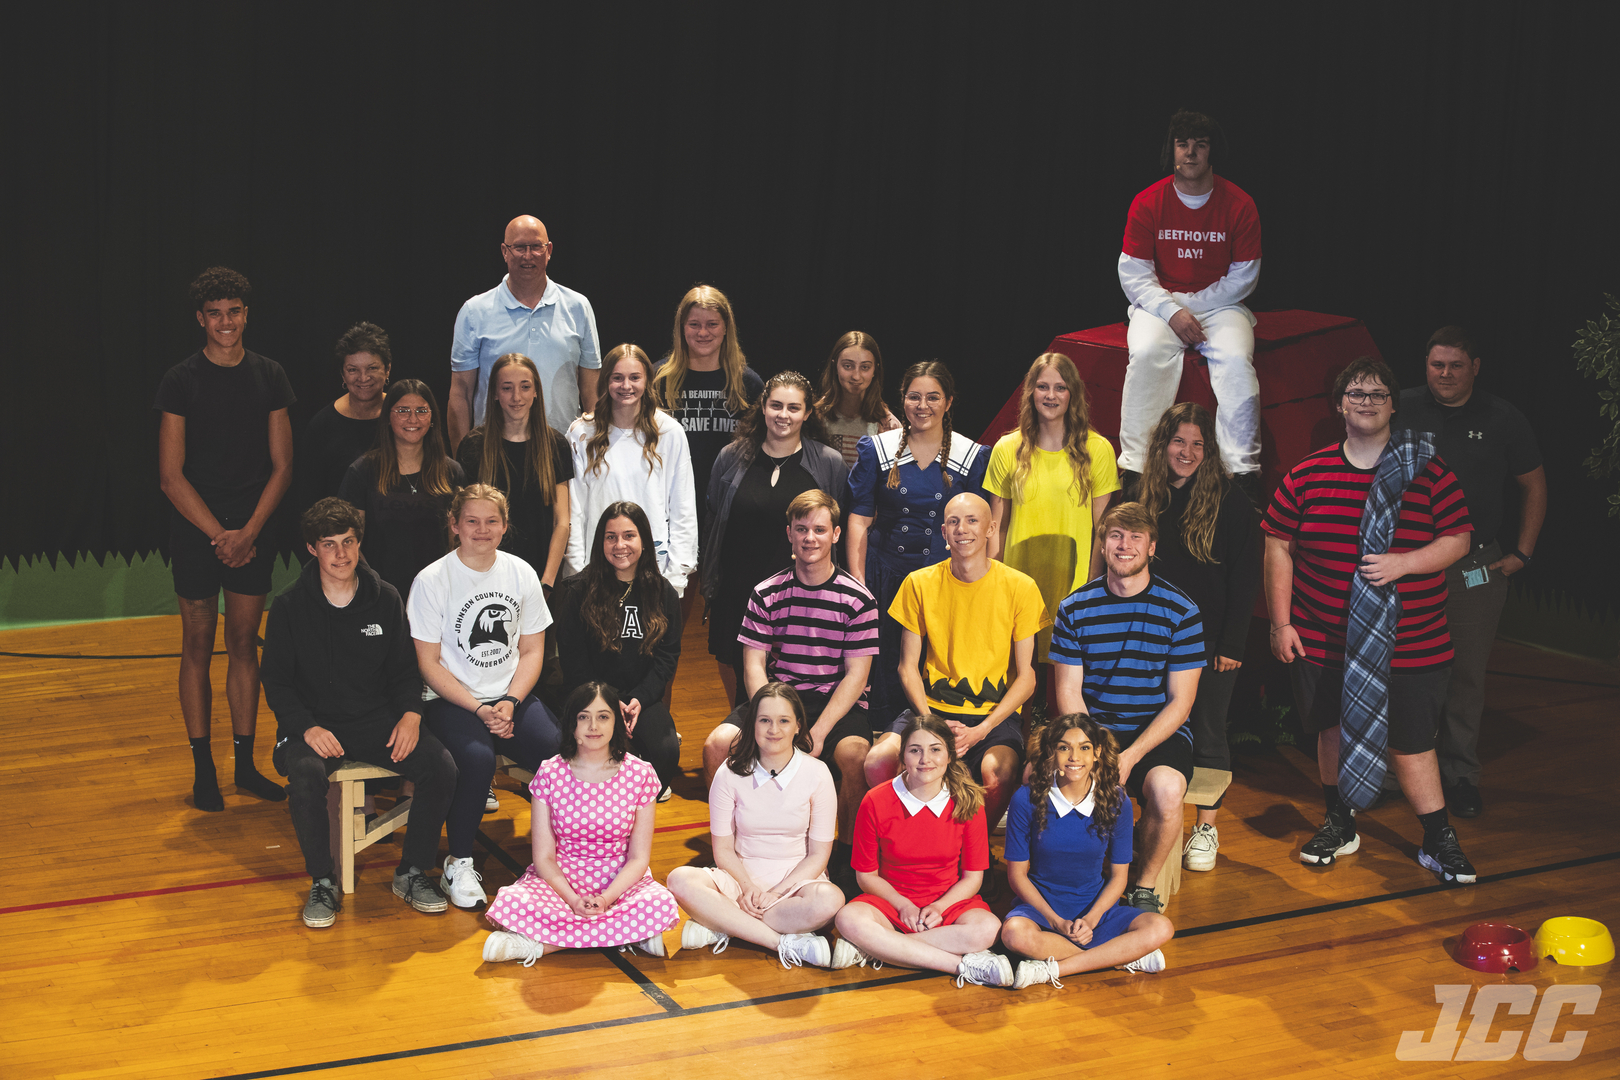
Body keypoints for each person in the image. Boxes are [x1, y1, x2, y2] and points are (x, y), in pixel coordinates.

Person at [1263, 357, 1478, 882]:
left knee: (1411, 744)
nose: (1365, 400)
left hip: (1410, 641)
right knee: (1330, 730)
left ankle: (1437, 837)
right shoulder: (1307, 473)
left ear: (1392, 407)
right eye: (1355, 393)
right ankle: (1340, 820)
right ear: (1339, 405)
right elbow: (1278, 546)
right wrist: (1280, 622)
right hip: (1323, 636)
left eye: (1377, 394)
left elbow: (1459, 540)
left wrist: (1404, 563)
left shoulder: (1427, 469)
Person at [262, 498, 459, 927]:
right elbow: (276, 682)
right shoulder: (290, 605)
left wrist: (411, 714)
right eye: (329, 545)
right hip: (313, 725)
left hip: (374, 721)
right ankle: (322, 881)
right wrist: (306, 727)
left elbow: (405, 672)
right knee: (307, 775)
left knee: (440, 766)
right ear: (312, 549)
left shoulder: (384, 597)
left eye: (348, 542)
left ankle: (411, 871)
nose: (341, 554)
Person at [1392, 326, 1545, 818]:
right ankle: (1395, 771)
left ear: (1475, 368)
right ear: (1426, 365)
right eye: (1437, 364)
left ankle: (1459, 776)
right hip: (1405, 565)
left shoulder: (1503, 418)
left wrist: (1521, 553)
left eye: (1456, 366)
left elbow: (1535, 485)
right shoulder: (1400, 406)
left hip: (1474, 568)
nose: (1446, 374)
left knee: (1465, 678)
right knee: (1398, 672)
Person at [155, 266, 292, 811]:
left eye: (233, 311)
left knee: (242, 646)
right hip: (198, 530)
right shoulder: (179, 380)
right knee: (196, 645)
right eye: (215, 313)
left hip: (253, 529)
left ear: (245, 314)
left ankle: (244, 766)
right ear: (200, 319)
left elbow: (283, 466)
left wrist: (249, 531)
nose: (225, 322)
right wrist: (221, 536)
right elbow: (170, 475)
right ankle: (203, 770)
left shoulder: (271, 375)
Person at [408, 484, 563, 909]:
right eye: (471, 521)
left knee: (555, 748)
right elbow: (428, 663)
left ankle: (563, 854)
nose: (482, 529)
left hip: (510, 696)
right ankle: (458, 862)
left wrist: (510, 701)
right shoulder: (432, 580)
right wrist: (478, 708)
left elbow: (532, 650)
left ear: (505, 526)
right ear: (454, 525)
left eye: (491, 521)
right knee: (475, 759)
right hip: (451, 700)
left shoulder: (521, 573)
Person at [863, 492, 1047, 840]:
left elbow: (1027, 679)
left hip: (992, 714)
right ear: (944, 533)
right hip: (931, 708)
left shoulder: (1021, 587)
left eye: (972, 520)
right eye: (953, 522)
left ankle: (971, 851)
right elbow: (906, 668)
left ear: (991, 528)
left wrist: (981, 730)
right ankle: (907, 842)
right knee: (877, 761)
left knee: (1000, 772)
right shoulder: (919, 583)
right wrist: (932, 724)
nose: (963, 529)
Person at [700, 490, 879, 846]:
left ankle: (846, 854)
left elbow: (857, 676)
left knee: (856, 756)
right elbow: (753, 664)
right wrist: (773, 717)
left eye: (819, 529)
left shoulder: (858, 600)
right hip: (779, 699)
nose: (810, 538)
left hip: (833, 704)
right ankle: (731, 843)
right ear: (789, 534)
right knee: (717, 746)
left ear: (836, 534)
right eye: (801, 529)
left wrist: (818, 732)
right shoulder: (766, 593)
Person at [1049, 502, 1204, 913]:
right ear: (1102, 544)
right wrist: (1092, 749)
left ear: (1152, 547)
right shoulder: (1075, 607)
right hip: (1092, 729)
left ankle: (1144, 886)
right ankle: (1063, 877)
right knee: (1037, 775)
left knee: (1168, 790)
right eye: (1116, 535)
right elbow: (1068, 691)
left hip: (1155, 730)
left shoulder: (1182, 611)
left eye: (1136, 537)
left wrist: (1132, 755)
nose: (1125, 545)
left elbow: (1181, 702)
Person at [1129, 403, 1261, 873]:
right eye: (1178, 441)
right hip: (1149, 638)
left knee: (1208, 729)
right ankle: (1146, 819)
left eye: (1197, 444)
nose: (1186, 452)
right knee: (1152, 724)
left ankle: (1205, 826)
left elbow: (1246, 577)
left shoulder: (1230, 501)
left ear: (1209, 451)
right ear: (1164, 444)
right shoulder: (1142, 492)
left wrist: (1232, 644)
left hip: (1208, 644)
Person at [481, 683, 681, 966]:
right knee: (512, 900)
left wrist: (607, 899)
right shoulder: (550, 772)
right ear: (571, 724)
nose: (593, 726)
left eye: (603, 716)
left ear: (617, 722)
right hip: (560, 881)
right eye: (583, 717)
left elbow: (638, 859)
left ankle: (539, 946)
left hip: (619, 882)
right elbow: (543, 857)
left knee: (658, 903)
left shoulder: (640, 773)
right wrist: (574, 900)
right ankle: (626, 935)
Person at [1117, 110, 1263, 490]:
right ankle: (1135, 468)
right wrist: (1171, 310)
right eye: (1183, 144)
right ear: (1173, 150)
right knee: (1147, 354)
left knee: (1234, 359)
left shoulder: (1240, 204)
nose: (1191, 153)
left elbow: (1245, 274)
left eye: (1201, 145)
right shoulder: (1148, 202)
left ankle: (1241, 473)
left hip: (1221, 305)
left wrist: (1191, 309)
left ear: (1213, 151)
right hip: (1159, 304)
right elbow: (1134, 273)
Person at [846, 361, 989, 727]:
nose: (922, 406)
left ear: (949, 402)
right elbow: (860, 520)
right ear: (903, 399)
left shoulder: (970, 455)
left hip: (944, 583)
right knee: (886, 671)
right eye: (914, 397)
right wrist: (859, 584)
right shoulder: (876, 449)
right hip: (886, 578)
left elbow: (979, 525)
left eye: (933, 397)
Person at [669, 683, 846, 968]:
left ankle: (724, 923)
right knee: (679, 879)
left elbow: (818, 854)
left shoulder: (818, 773)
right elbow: (723, 850)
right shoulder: (728, 772)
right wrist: (748, 888)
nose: (773, 729)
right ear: (752, 725)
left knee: (830, 900)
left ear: (798, 726)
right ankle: (783, 942)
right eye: (764, 720)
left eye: (783, 721)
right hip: (740, 879)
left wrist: (775, 893)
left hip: (795, 882)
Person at [832, 714, 1011, 987]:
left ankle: (878, 949)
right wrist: (903, 905)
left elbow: (973, 877)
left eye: (935, 750)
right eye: (915, 750)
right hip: (891, 902)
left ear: (950, 756)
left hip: (947, 903)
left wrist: (940, 907)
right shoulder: (876, 800)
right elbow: (865, 876)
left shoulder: (969, 801)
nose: (925, 759)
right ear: (903, 757)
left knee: (988, 929)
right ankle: (960, 965)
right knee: (849, 919)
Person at [703, 371, 848, 704]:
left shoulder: (829, 464)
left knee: (792, 669)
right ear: (763, 408)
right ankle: (744, 720)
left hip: (801, 591)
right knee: (734, 660)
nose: (784, 415)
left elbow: (837, 526)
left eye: (794, 408)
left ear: (807, 413)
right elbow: (713, 518)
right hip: (737, 586)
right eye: (776, 406)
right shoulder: (730, 457)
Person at [1001, 714, 1174, 987]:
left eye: (1084, 747)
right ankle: (1119, 957)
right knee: (1013, 935)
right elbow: (1017, 876)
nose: (1074, 756)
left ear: (1097, 753)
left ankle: (1054, 970)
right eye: (1063, 747)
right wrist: (1057, 922)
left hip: (1095, 909)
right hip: (1043, 909)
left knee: (1161, 927)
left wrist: (1091, 920)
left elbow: (1119, 876)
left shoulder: (1117, 800)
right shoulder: (1026, 798)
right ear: (1051, 752)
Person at [986, 352, 1120, 678]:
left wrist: (1094, 588)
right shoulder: (1006, 449)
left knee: (1067, 686)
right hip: (1017, 583)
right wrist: (993, 586)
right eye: (1043, 386)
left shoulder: (1098, 450)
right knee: (1018, 681)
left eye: (1060, 388)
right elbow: (996, 528)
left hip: (1074, 587)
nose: (1050, 395)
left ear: (1072, 393)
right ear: (1031, 392)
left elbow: (1102, 529)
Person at [551, 502, 684, 796]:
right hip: (590, 697)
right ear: (601, 543)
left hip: (639, 698)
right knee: (599, 749)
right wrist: (607, 704)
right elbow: (574, 662)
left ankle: (633, 809)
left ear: (644, 541)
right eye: (611, 537)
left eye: (629, 536)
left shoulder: (663, 593)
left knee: (665, 751)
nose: (619, 545)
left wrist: (640, 698)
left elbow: (666, 658)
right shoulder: (579, 591)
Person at [448, 214, 600, 446]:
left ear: (549, 250)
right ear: (504, 251)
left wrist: (594, 450)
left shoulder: (578, 307)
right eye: (519, 247)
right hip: (493, 450)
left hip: (563, 450)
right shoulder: (474, 311)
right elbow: (461, 393)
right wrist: (463, 462)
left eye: (536, 247)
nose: (528, 256)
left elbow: (591, 390)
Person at [565, 345, 698, 595]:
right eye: (618, 377)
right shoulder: (582, 432)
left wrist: (676, 576)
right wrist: (577, 571)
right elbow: (575, 510)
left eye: (635, 377)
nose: (626, 386)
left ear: (647, 380)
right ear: (606, 381)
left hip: (653, 570)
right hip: (596, 570)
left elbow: (683, 508)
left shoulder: (669, 432)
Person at [650, 285, 764, 544]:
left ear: (726, 328)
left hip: (729, 507)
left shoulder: (749, 384)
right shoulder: (658, 380)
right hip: (669, 502)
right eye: (694, 324)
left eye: (712, 324)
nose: (703, 332)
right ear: (681, 327)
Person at [455, 353, 573, 592]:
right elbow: (464, 521)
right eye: (507, 388)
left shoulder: (556, 445)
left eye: (525, 387)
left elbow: (562, 521)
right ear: (495, 394)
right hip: (483, 578)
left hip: (540, 577)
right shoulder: (473, 446)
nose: (516, 397)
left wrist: (547, 582)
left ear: (536, 392)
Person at [338, 379, 465, 600]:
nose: (413, 419)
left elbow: (460, 539)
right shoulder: (363, 471)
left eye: (421, 411)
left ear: (432, 417)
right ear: (388, 416)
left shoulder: (451, 472)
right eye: (403, 410)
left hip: (439, 593)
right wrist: (373, 587)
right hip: (379, 596)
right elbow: (348, 540)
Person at [297, 322, 390, 517]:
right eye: (353, 369)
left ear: (387, 369)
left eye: (372, 367)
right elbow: (308, 498)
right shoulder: (322, 426)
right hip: (341, 536)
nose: (363, 378)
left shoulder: (406, 418)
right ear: (342, 374)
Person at [814, 330, 900, 468]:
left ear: (875, 370)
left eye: (865, 367)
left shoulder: (888, 426)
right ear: (835, 366)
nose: (856, 376)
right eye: (848, 366)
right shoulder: (815, 418)